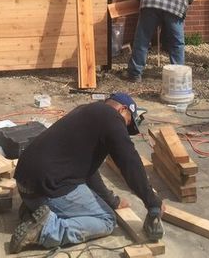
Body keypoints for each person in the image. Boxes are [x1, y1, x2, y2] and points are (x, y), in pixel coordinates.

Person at [9, 93, 164, 253]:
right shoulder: (112, 117)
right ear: (122, 109)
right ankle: (46, 231)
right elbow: (130, 162)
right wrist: (152, 202)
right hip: (46, 186)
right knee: (106, 220)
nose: (124, 128)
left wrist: (112, 201)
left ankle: (33, 212)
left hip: (26, 184)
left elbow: (89, 172)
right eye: (127, 122)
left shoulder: (85, 111)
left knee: (87, 195)